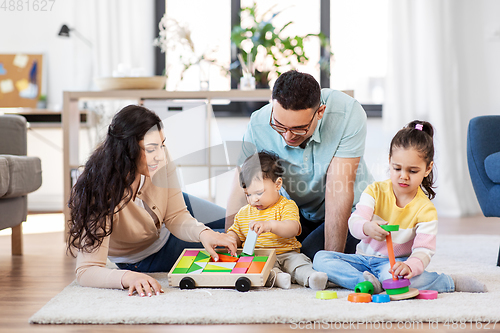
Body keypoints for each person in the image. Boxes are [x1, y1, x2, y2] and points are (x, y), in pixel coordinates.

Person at [67, 105, 237, 297]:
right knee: (234, 242)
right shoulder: (98, 191)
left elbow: (176, 215)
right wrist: (128, 277)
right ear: (126, 150)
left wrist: (203, 233)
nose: (161, 155)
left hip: (171, 214)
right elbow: (86, 270)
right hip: (148, 252)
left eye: (162, 145)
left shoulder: (159, 156)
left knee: (239, 222)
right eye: (151, 149)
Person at [313, 121, 486, 293]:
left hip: (392, 266)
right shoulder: (375, 191)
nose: (403, 176)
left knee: (404, 279)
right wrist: (366, 227)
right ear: (389, 162)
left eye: (412, 171)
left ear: (428, 168)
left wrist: (409, 266)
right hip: (362, 260)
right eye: (397, 168)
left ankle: (447, 282)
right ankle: (365, 281)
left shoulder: (426, 210)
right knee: (320, 258)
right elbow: (355, 222)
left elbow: (423, 250)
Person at [226, 70, 374, 260]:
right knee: (278, 252)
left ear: (320, 112)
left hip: (351, 212)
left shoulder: (347, 113)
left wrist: (331, 262)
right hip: (297, 213)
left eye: (299, 129)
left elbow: (339, 189)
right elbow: (242, 183)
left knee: (310, 257)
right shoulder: (258, 123)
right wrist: (229, 241)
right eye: (279, 126)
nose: (288, 137)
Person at [227, 151, 328, 290]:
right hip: (260, 256)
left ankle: (312, 277)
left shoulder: (286, 205)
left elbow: (292, 228)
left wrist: (270, 225)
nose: (253, 199)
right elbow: (236, 234)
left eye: (259, 192)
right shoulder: (243, 213)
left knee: (299, 264)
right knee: (260, 270)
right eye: (248, 194)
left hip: (287, 253)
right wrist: (229, 239)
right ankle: (278, 278)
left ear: (277, 184)